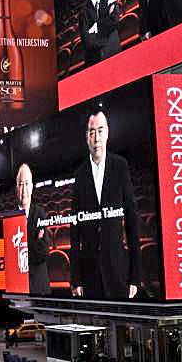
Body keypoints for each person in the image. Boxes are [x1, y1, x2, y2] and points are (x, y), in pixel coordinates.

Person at [70, 108, 141, 300]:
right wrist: (75, 278)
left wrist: (135, 276)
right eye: (91, 131)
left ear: (107, 132)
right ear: (87, 136)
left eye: (100, 130)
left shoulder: (120, 166)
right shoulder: (79, 174)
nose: (96, 137)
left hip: (118, 271)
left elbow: (132, 222)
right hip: (89, 274)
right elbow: (75, 231)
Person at [15, 163, 51, 294]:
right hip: (17, 287)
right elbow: (10, 257)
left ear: (31, 186)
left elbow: (44, 252)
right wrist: (34, 242)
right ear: (16, 188)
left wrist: (22, 246)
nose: (24, 190)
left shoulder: (40, 213)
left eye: (27, 183)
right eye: (20, 184)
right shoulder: (9, 217)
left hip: (39, 286)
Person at [79, 0, 121, 67]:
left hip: (114, 54)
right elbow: (86, 42)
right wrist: (106, 25)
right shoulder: (82, 11)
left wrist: (96, 27)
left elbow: (115, 19)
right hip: (94, 63)